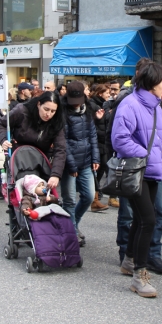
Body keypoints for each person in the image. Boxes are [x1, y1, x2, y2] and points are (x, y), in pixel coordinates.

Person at [112, 62, 162, 298]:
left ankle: (128, 260)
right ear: (153, 83)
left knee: (140, 219)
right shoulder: (130, 104)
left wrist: (160, 157)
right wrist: (147, 155)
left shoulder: (156, 105)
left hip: (154, 171)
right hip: (137, 171)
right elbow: (120, 140)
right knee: (149, 220)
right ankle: (140, 276)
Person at [60, 81, 100, 243]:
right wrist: (71, 165)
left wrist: (95, 157)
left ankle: (73, 224)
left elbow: (93, 135)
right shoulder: (61, 112)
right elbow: (62, 141)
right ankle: (71, 233)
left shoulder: (88, 109)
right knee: (69, 200)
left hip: (86, 162)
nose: (75, 104)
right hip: (68, 164)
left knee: (89, 196)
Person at [1, 91, 66, 187]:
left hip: (41, 162)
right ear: (39, 104)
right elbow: (2, 124)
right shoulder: (22, 110)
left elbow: (60, 149)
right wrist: (3, 140)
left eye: (53, 111)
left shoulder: (57, 121)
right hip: (19, 160)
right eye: (46, 109)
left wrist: (56, 174)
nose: (48, 114)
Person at [89, 83, 115, 210]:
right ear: (100, 94)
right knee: (97, 169)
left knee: (103, 167)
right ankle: (94, 198)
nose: (109, 95)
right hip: (97, 142)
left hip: (102, 141)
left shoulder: (102, 104)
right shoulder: (93, 105)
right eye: (107, 93)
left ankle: (96, 196)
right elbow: (93, 124)